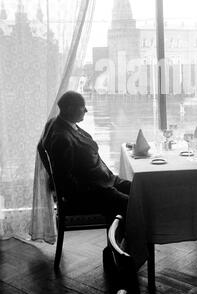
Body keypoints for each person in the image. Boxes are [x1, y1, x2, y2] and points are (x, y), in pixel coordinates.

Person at [42, 90, 131, 224]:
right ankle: (125, 242)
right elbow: (65, 181)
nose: (86, 110)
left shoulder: (63, 123)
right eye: (83, 107)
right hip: (92, 191)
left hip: (105, 180)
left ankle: (123, 240)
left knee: (140, 189)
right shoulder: (62, 138)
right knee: (133, 204)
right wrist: (100, 190)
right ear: (69, 108)